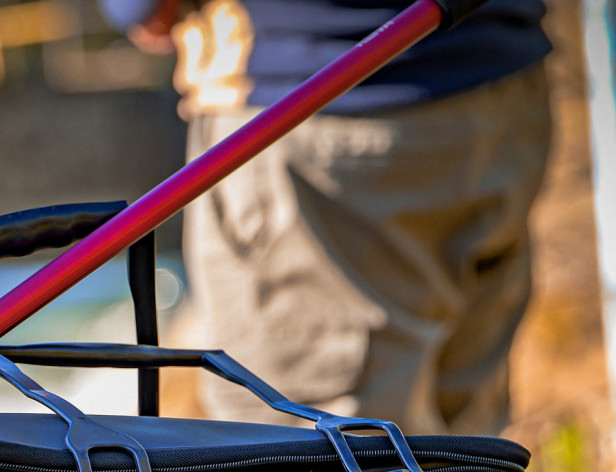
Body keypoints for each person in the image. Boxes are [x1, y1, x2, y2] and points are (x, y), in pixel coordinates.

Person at [100, 0, 552, 435]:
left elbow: (147, 13)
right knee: (468, 451)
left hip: (309, 110)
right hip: (503, 90)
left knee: (305, 457)